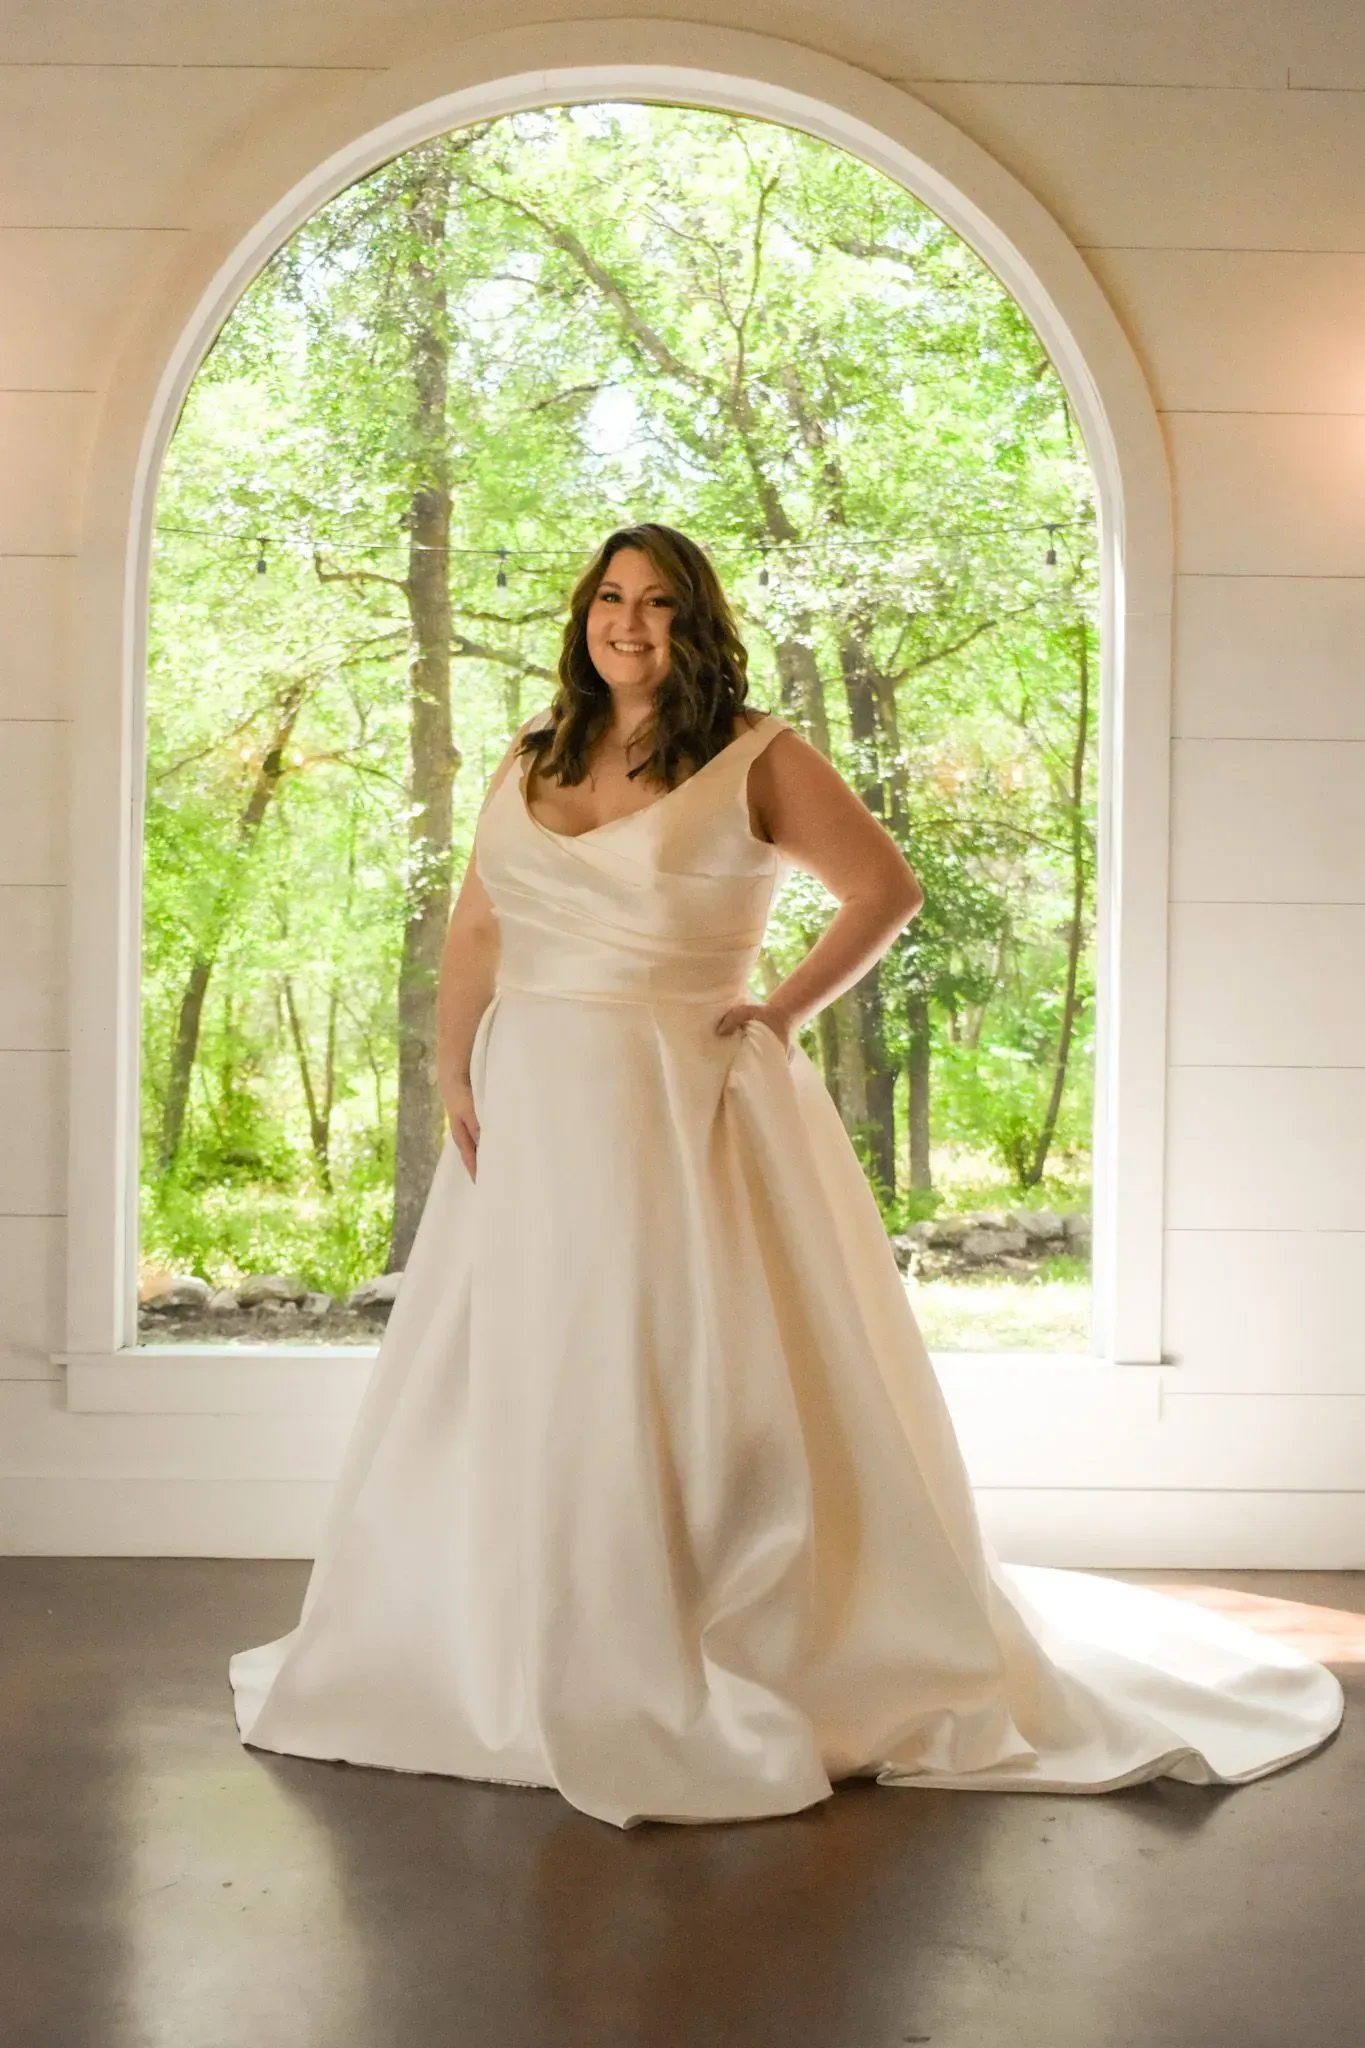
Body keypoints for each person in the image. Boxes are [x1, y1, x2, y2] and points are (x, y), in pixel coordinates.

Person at [230, 523, 1343, 1829]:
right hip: (530, 1105)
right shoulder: (535, 754)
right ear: (582, 616)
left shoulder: (755, 755)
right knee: (531, 1354)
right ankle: (507, 1637)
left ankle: (716, 1631)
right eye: (609, 598)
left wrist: (779, 1012)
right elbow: (481, 924)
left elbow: (884, 889)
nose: (627, 623)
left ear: (694, 622)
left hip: (674, 1103)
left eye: (657, 603)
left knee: (681, 1360)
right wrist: (453, 1069)